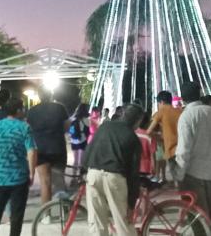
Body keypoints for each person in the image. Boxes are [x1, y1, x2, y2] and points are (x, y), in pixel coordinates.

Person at [84, 103, 143, 236]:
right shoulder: (133, 138)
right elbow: (133, 174)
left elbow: (89, 150)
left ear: (123, 114)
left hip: (93, 174)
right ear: (138, 121)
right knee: (123, 222)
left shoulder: (105, 126)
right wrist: (131, 204)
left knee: (96, 222)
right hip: (114, 178)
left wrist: (84, 171)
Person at [175, 82, 211, 234]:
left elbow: (184, 149)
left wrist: (180, 174)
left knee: (197, 216)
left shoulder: (186, 116)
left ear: (183, 98)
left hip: (193, 173)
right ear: (200, 93)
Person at [0, 97, 37, 236]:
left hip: (0, 178)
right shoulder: (24, 127)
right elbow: (31, 151)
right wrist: (32, 173)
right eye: (23, 108)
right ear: (18, 110)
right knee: (16, 215)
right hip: (19, 177)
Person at [26, 90, 69, 205]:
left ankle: (46, 215)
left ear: (39, 96)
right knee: (59, 179)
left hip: (40, 148)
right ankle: (64, 211)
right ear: (51, 94)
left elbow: (28, 129)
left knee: (45, 182)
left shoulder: (32, 111)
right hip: (58, 147)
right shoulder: (60, 108)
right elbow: (67, 126)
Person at [147, 90, 182, 182]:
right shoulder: (180, 112)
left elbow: (149, 131)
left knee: (176, 176)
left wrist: (160, 137)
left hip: (170, 148)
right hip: (182, 147)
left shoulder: (160, 112)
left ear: (161, 102)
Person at [69, 103, 90, 170]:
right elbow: (88, 130)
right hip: (82, 140)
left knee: (75, 160)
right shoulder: (86, 119)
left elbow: (70, 130)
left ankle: (73, 176)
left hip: (73, 140)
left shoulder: (72, 118)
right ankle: (79, 178)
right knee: (81, 161)